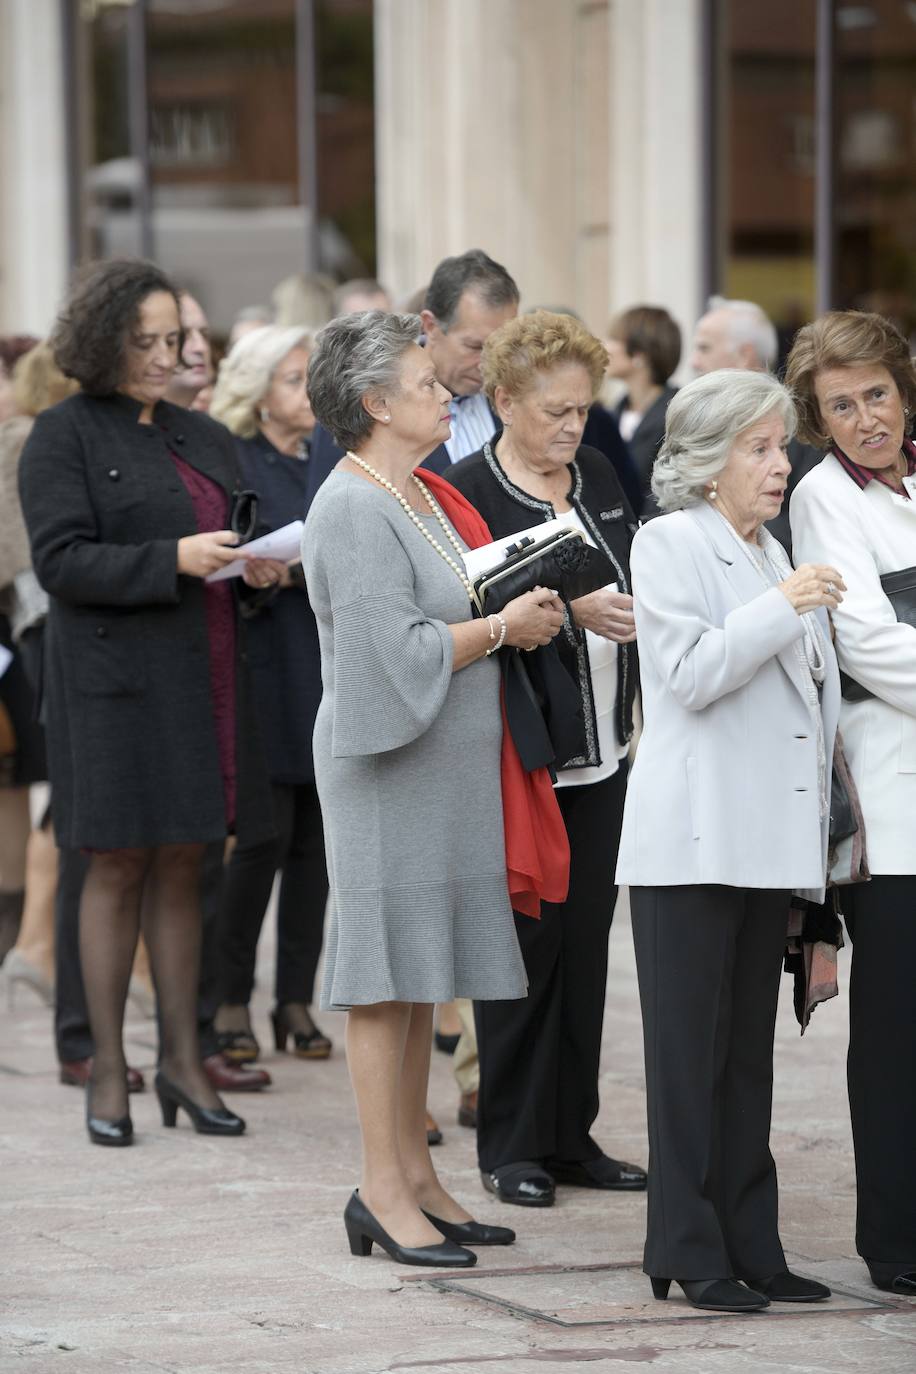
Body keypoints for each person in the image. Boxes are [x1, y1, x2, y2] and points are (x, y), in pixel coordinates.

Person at [303, 309, 566, 1267]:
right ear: (373, 403)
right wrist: (504, 630)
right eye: (423, 383)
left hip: (438, 766)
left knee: (420, 979)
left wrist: (518, 601)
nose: (442, 390)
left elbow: (442, 607)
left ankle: (416, 1177)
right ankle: (381, 1188)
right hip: (388, 771)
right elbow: (385, 660)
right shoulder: (353, 504)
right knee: (383, 981)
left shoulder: (408, 490)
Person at [19, 258, 283, 1147]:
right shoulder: (61, 435)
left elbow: (232, 543)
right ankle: (103, 1071)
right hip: (111, 689)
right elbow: (59, 564)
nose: (169, 357)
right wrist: (171, 559)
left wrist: (258, 571)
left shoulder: (203, 437)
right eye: (148, 341)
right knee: (117, 866)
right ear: (103, 341)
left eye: (175, 340)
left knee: (187, 866)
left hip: (205, 677)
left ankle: (181, 1060)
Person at [616, 368, 842, 1312]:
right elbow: (689, 672)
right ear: (707, 462)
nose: (779, 463)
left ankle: (755, 1243)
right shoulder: (671, 541)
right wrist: (784, 604)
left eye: (780, 444)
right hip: (691, 845)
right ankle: (685, 1246)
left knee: (746, 1057)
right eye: (757, 447)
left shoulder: (762, 550)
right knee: (685, 1062)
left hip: (764, 846)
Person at [446, 310, 646, 1207]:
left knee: (585, 951)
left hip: (607, 750)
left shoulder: (599, 471)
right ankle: (511, 1144)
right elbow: (470, 616)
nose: (573, 425)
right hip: (522, 758)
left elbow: (642, 567)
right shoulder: (467, 491)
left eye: (582, 407)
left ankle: (573, 1136)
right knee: (522, 950)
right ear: (503, 401)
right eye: (555, 410)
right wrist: (575, 608)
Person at [786, 310, 916, 1298]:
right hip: (891, 803)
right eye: (842, 404)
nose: (866, 416)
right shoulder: (825, 504)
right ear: (816, 420)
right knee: (895, 1030)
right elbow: (872, 646)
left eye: (876, 392)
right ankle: (897, 1242)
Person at [209, 325, 331, 1063]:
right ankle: (230, 1000)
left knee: (316, 851)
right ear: (258, 394)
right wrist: (269, 571)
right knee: (259, 843)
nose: (307, 393)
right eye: (292, 380)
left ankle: (295, 1001)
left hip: (320, 665)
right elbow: (230, 552)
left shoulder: (328, 460)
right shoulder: (238, 461)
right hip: (261, 669)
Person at [0, 343, 78, 1005]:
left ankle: (39, 946)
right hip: (49, 627)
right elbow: (21, 552)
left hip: (48, 627)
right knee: (68, 785)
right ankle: (34, 944)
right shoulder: (29, 439)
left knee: (67, 786)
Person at [690, 296, 821, 553]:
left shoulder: (800, 425)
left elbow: (802, 520)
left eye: (704, 348)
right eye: (760, 449)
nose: (694, 362)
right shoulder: (696, 420)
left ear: (744, 355)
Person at [605, 305, 681, 514]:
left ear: (640, 354)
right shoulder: (612, 414)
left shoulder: (678, 414)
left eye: (614, 339)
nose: (606, 347)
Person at [165, 292, 213, 410]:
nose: (201, 347)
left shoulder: (212, 428)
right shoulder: (117, 425)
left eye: (204, 334)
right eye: (184, 335)